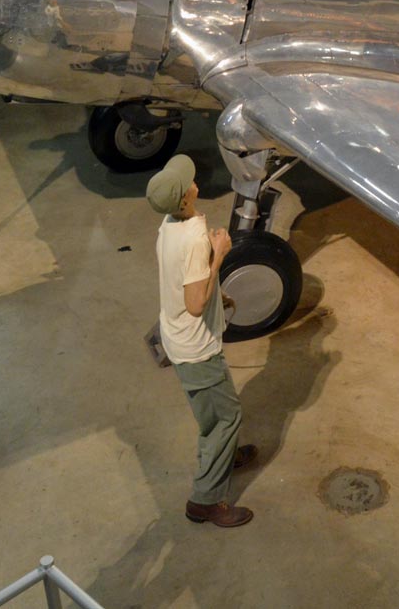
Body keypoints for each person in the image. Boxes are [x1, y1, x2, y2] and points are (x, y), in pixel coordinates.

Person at [148, 154, 258, 528]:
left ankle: (223, 456)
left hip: (178, 338)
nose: (194, 181)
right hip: (197, 349)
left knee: (214, 414)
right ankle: (206, 501)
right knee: (226, 418)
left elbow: (184, 281)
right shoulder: (195, 238)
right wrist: (219, 258)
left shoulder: (169, 224)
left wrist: (217, 295)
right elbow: (196, 305)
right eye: (188, 182)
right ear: (184, 198)